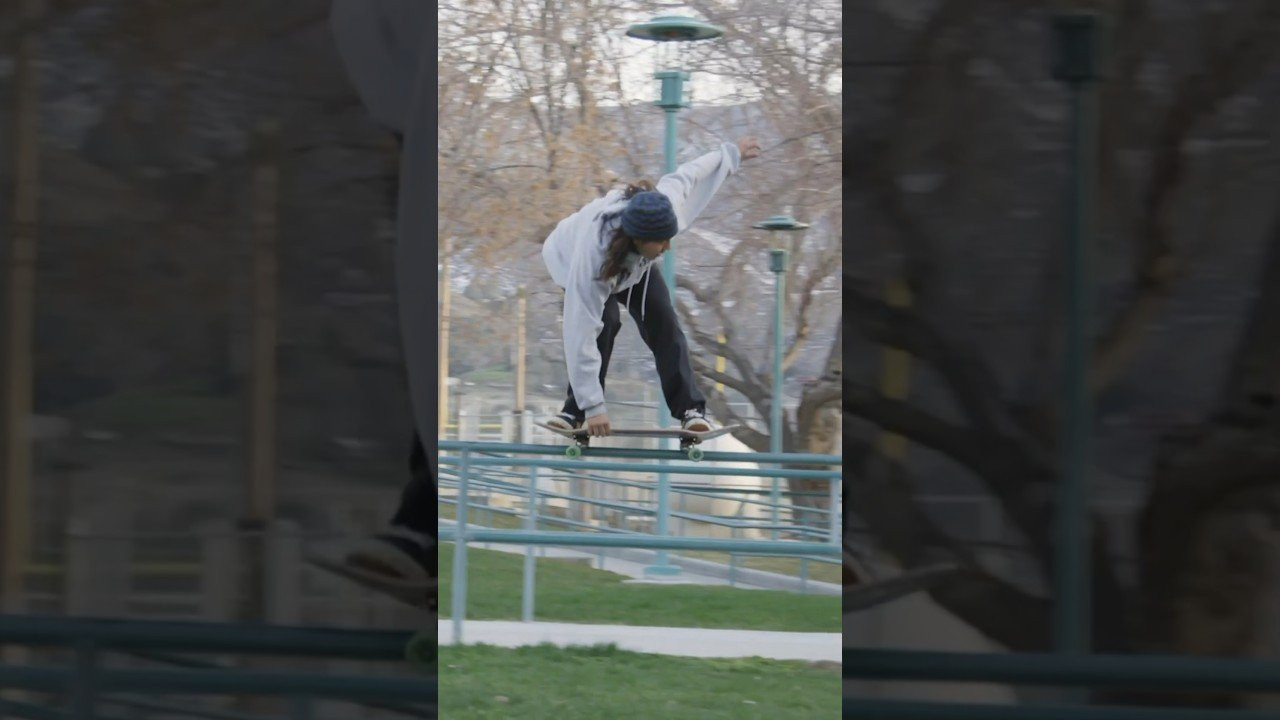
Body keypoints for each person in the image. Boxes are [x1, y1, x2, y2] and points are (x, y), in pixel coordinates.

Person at [542, 136, 761, 437]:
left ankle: (690, 410)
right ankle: (575, 411)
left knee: (664, 321)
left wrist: (731, 153)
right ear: (637, 238)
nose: (667, 248)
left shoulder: (663, 205)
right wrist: (594, 407)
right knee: (604, 324)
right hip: (567, 258)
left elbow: (688, 175)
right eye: (661, 242)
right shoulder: (591, 257)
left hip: (631, 265)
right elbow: (579, 331)